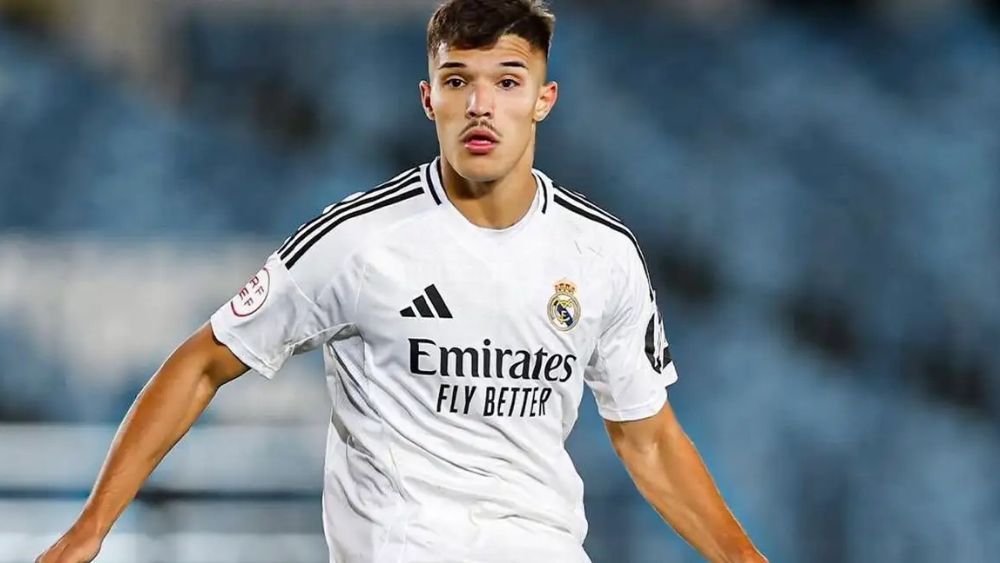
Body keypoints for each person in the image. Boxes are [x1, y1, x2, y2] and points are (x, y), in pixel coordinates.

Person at [37, 1, 767, 561]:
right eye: (458, 81)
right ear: (429, 99)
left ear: (544, 99)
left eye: (507, 81)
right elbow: (205, 359)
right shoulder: (358, 241)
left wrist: (743, 557)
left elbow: (647, 437)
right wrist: (90, 527)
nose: (481, 105)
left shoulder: (603, 253)